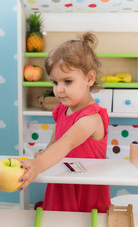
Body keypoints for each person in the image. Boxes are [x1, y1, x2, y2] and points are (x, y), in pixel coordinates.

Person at [19, 32, 111, 213]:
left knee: (86, 225)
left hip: (86, 184)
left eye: (67, 81)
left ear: (89, 79)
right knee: (59, 220)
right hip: (63, 176)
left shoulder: (91, 118)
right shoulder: (62, 109)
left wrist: (38, 166)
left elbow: (67, 142)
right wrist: (45, 153)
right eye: (55, 82)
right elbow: (55, 140)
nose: (59, 90)